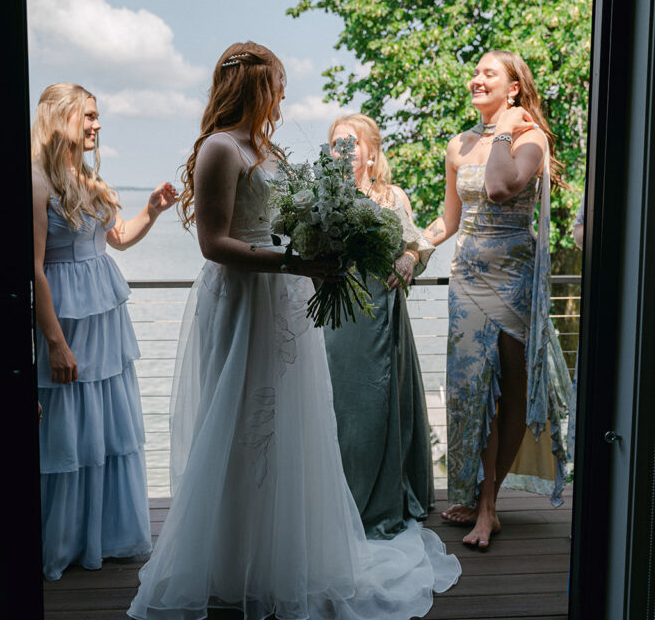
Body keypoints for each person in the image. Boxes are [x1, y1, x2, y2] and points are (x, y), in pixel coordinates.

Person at [127, 42, 459, 620]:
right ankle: (231, 560)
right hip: (242, 300)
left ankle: (286, 556)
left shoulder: (268, 148)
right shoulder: (219, 149)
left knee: (293, 422)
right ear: (255, 86)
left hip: (285, 296)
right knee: (239, 419)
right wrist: (293, 263)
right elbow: (213, 244)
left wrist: (318, 243)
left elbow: (290, 218)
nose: (283, 95)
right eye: (277, 84)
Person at [422, 50, 572, 550]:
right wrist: (410, 252)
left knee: (507, 392)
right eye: (476, 72)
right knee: (470, 391)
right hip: (466, 281)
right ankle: (474, 492)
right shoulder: (458, 144)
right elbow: (449, 220)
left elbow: (499, 186)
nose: (476, 79)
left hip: (512, 281)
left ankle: (489, 505)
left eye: (490, 73)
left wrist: (506, 129)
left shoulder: (531, 140)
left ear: (513, 89)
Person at [31, 83, 177, 581]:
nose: (96, 125)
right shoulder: (36, 183)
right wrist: (55, 342)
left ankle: (104, 536)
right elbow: (34, 270)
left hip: (105, 323)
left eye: (97, 117)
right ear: (60, 118)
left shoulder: (89, 181)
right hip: (68, 322)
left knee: (104, 429)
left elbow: (117, 240)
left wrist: (153, 211)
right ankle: (64, 540)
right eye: (87, 116)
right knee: (68, 428)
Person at [322, 113, 436, 540]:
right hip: (334, 320)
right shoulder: (323, 197)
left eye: (350, 143)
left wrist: (409, 259)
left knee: (377, 406)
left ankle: (381, 497)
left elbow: (417, 244)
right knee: (337, 407)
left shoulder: (392, 196)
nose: (343, 151)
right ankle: (334, 498)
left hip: (381, 317)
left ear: (370, 152)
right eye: (336, 144)